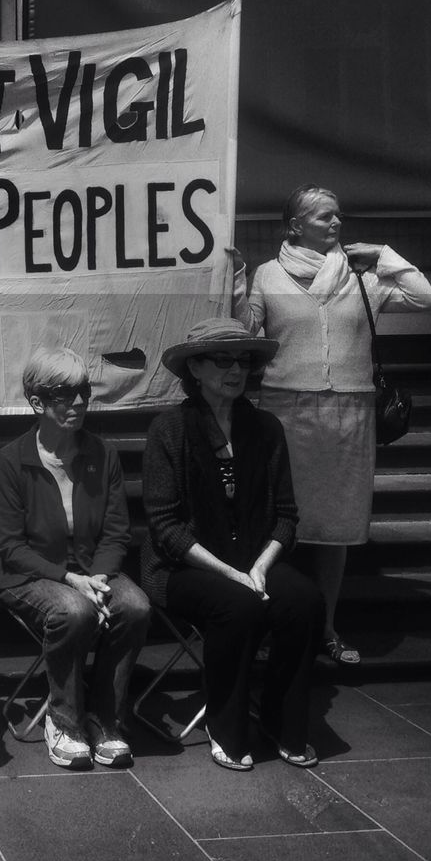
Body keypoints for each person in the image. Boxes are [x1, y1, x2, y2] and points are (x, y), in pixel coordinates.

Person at [234, 185, 431, 665]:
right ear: (293, 226)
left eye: (338, 216)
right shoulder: (269, 274)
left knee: (337, 526)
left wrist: (386, 253)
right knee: (276, 522)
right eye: (324, 217)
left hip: (350, 412)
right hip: (285, 412)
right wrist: (239, 283)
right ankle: (269, 623)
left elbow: (425, 298)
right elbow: (244, 334)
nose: (336, 223)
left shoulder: (362, 275)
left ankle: (325, 627)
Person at [142, 317, 325, 771]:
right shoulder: (169, 430)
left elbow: (286, 516)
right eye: (223, 360)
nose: (236, 370)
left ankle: (283, 721)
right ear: (196, 369)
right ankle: (225, 728)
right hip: (183, 568)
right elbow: (166, 527)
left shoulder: (266, 429)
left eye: (243, 360)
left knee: (304, 600)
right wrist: (232, 576)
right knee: (237, 605)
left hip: (254, 560)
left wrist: (260, 569)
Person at [0, 347, 149, 770]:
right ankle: (64, 721)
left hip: (92, 571)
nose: (78, 403)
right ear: (37, 402)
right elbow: (10, 547)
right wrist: (71, 580)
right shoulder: (11, 461)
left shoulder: (102, 453)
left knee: (134, 605)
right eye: (64, 394)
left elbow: (117, 532)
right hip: (29, 575)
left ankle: (104, 718)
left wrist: (96, 576)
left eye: (82, 392)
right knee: (74, 611)